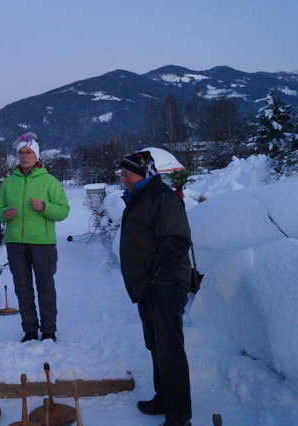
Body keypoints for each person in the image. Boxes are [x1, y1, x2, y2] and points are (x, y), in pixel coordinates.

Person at [118, 151, 192, 426]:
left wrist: (157, 279)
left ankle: (179, 418)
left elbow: (177, 240)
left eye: (128, 173)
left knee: (170, 350)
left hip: (165, 286)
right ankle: (164, 398)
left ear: (144, 172)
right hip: (149, 287)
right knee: (157, 347)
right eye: (123, 174)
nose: (124, 179)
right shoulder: (142, 197)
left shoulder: (161, 198)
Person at [0, 134, 70, 343]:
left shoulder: (50, 182)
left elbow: (63, 211)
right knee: (23, 289)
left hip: (43, 244)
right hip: (16, 243)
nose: (24, 156)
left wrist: (45, 207)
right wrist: (3, 215)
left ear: (37, 155)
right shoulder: (8, 183)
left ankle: (48, 330)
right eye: (21, 152)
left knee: (45, 287)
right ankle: (29, 330)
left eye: (28, 152)